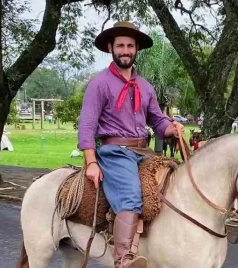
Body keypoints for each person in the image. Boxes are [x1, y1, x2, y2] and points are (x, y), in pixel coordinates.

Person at [77, 21, 185, 268]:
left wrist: (173, 128)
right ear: (110, 48)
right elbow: (87, 125)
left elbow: (158, 122)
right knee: (130, 196)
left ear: (136, 49)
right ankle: (123, 259)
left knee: (173, 184)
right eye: (120, 46)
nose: (125, 50)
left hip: (143, 151)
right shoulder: (99, 84)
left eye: (130, 46)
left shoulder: (145, 87)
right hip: (115, 152)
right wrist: (91, 162)